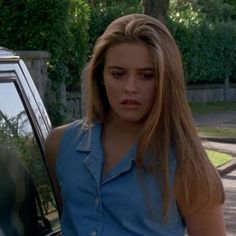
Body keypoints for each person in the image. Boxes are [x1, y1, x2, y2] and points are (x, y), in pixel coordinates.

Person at [45, 13, 226, 236]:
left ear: (165, 80)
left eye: (146, 75)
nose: (130, 87)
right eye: (118, 74)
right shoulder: (60, 145)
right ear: (101, 75)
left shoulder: (187, 165)